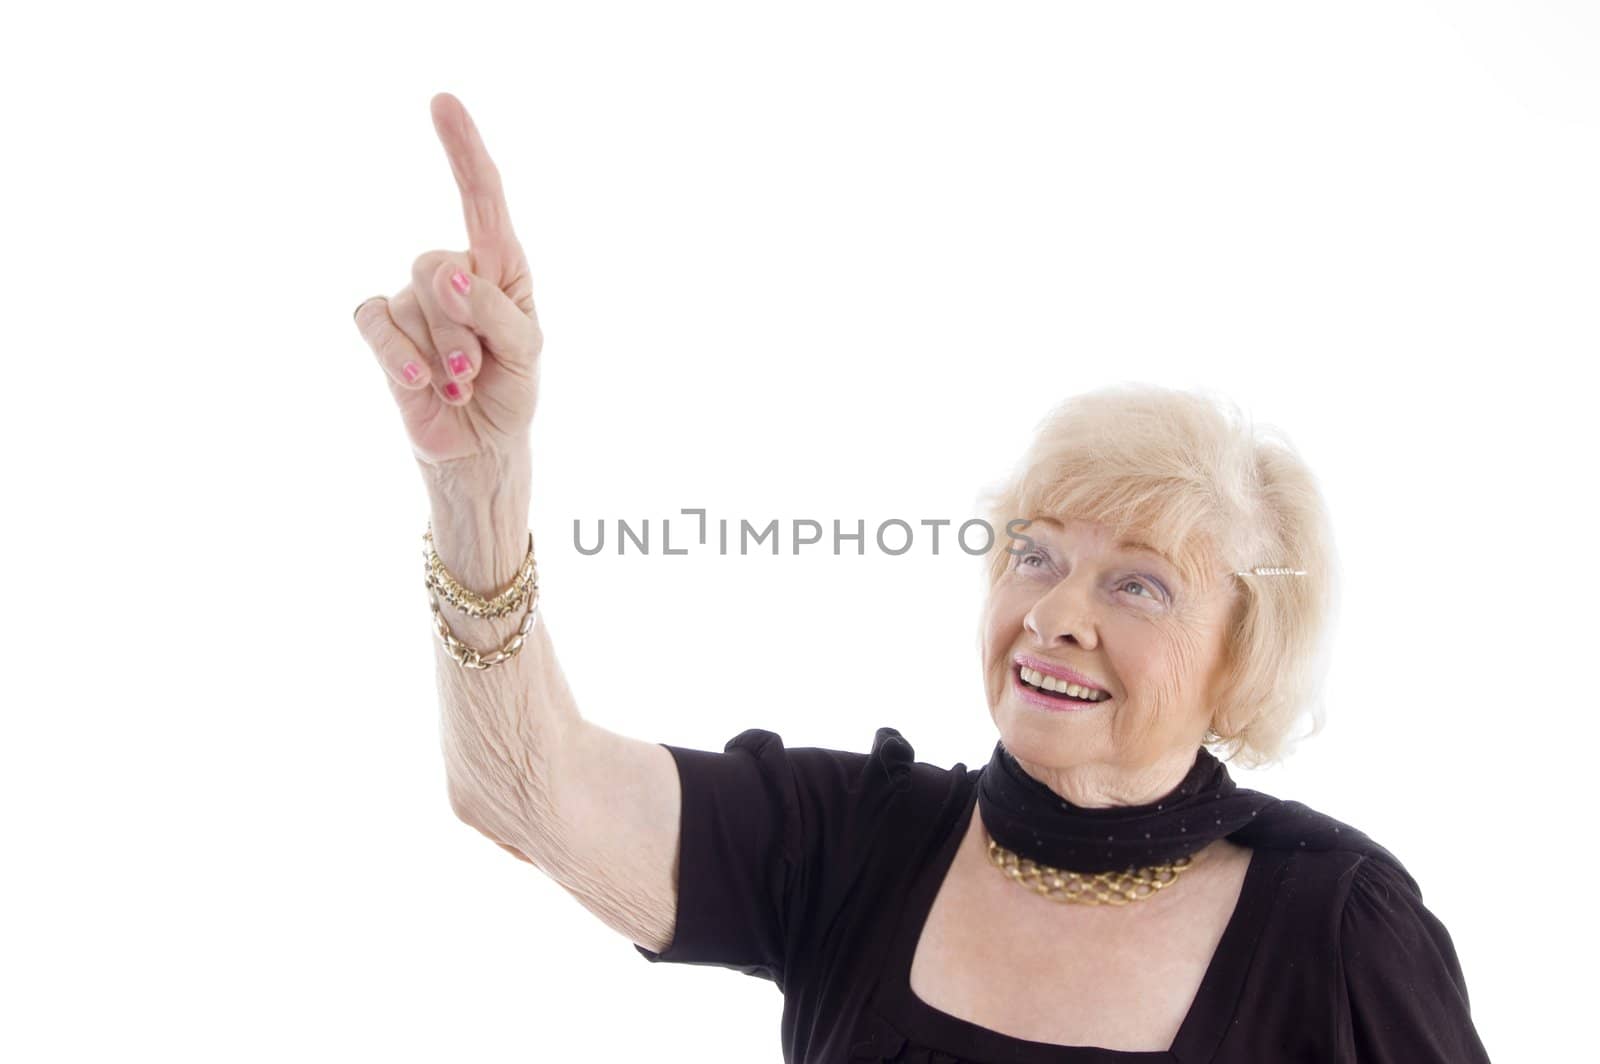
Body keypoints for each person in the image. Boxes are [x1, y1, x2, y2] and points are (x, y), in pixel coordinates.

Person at [354, 92, 1492, 1063]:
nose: (1051, 614)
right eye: (1034, 554)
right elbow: (522, 788)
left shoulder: (1339, 928)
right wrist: (480, 487)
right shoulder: (856, 844)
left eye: (1135, 584)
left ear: (1246, 647)